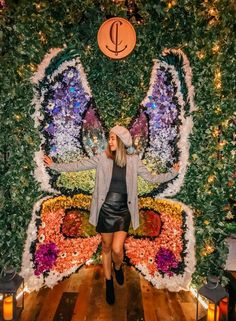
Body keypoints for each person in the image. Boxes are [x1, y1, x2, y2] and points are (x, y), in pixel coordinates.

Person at [43, 125, 178, 305]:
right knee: (106, 247)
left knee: (116, 249)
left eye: (113, 138)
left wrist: (173, 173)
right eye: (110, 138)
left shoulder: (134, 160)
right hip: (105, 209)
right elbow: (78, 165)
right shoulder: (102, 158)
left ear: (122, 141)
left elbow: (151, 178)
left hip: (123, 210)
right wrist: (54, 165)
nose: (110, 141)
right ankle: (108, 282)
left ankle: (117, 266)